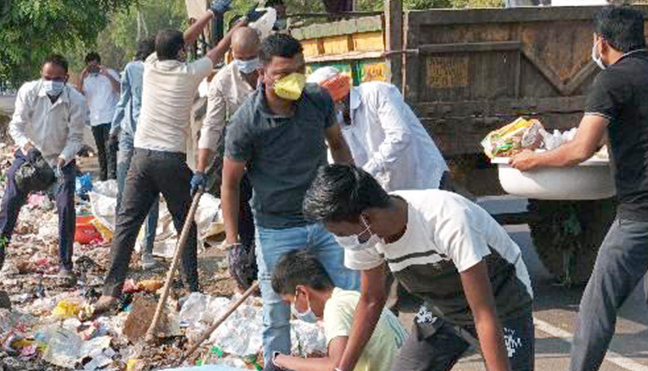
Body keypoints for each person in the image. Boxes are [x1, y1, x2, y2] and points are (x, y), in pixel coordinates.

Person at [510, 5, 648, 371]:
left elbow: (582, 149)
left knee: (597, 303)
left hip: (647, 209)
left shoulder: (612, 81)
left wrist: (532, 159)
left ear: (601, 42)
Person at [304, 164, 535, 371]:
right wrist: (342, 368)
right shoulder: (365, 236)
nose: (343, 241)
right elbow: (371, 300)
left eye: (342, 234)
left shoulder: (447, 219)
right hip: (441, 307)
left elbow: (483, 313)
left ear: (366, 218)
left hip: (501, 302)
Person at [221, 32, 360, 368]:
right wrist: (232, 243)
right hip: (276, 228)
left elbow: (338, 146)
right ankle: (276, 365)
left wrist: (354, 194)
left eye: (300, 70)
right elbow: (230, 184)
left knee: (349, 299)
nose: (293, 81)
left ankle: (354, 363)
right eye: (283, 74)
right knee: (276, 313)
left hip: (325, 221)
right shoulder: (246, 122)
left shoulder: (317, 100)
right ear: (262, 76)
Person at [94, 0, 238, 313]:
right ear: (182, 54)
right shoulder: (188, 74)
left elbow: (178, 42)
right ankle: (192, 288)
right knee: (184, 223)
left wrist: (210, 13)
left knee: (126, 225)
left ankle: (110, 291)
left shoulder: (149, 66)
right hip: (170, 161)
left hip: (141, 159)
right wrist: (236, 27)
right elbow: (217, 53)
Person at [0, 54, 88, 285]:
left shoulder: (76, 100)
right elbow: (17, 126)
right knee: (10, 203)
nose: (51, 82)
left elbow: (75, 138)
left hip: (61, 158)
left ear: (66, 78)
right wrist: (29, 148)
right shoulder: (29, 91)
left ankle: (65, 265)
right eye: (47, 77)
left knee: (65, 208)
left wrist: (62, 160)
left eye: (56, 78)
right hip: (29, 156)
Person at [307, 66, 449, 192]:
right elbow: (335, 154)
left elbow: (400, 137)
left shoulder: (377, 92)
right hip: (390, 192)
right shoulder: (334, 118)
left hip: (426, 179)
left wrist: (366, 172)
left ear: (338, 98)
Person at [194, 26, 262, 285]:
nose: (245, 63)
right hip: (241, 152)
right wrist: (200, 169)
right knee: (243, 209)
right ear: (232, 54)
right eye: (240, 58)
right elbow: (211, 126)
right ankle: (249, 266)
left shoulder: (273, 70)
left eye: (250, 57)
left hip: (274, 152)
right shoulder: (223, 80)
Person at [269, 249, 407, 371]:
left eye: (290, 302)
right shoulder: (351, 297)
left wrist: (281, 360)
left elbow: (335, 366)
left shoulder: (334, 308)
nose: (293, 309)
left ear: (302, 293)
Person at [108, 37, 161, 270]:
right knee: (146, 195)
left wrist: (114, 130)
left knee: (127, 194)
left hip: (138, 137)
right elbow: (125, 99)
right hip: (141, 136)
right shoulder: (154, 69)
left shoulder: (135, 69)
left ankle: (127, 252)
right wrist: (114, 128)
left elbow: (124, 100)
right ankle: (141, 251)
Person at [76, 52, 120, 181]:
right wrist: (81, 78)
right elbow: (79, 95)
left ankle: (112, 178)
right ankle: (103, 178)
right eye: (90, 67)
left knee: (110, 148)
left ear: (99, 64)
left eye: (95, 66)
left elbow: (120, 89)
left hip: (110, 117)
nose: (93, 69)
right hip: (95, 120)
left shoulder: (110, 73)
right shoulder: (86, 79)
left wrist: (107, 75)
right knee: (100, 150)